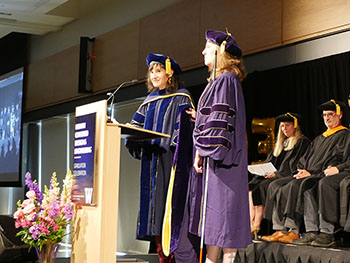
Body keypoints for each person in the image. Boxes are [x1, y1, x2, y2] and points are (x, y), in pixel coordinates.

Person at [126, 52, 195, 263]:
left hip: (170, 161)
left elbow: (184, 128)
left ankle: (174, 254)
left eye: (159, 71)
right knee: (155, 211)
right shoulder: (149, 101)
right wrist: (131, 134)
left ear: (169, 73)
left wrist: (173, 143)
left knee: (169, 208)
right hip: (151, 161)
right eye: (152, 72)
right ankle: (162, 256)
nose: (154, 75)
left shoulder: (182, 97)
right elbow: (135, 125)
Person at [190, 29, 251, 263]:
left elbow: (220, 127)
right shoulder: (219, 82)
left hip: (224, 164)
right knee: (216, 226)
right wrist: (200, 151)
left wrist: (203, 150)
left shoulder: (226, 81)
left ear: (220, 52)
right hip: (217, 163)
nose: (203, 51)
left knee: (226, 225)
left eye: (208, 47)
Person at [262, 99, 349, 244]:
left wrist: (312, 173)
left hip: (323, 174)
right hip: (311, 173)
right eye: (324, 115)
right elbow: (304, 160)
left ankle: (308, 231)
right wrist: (303, 170)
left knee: (304, 185)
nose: (327, 118)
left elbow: (336, 160)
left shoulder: (344, 135)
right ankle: (307, 231)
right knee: (285, 185)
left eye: (331, 114)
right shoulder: (319, 139)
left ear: (339, 116)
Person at [249, 113, 310, 239]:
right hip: (276, 176)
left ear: (295, 127)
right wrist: (262, 171)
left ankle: (263, 226)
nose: (284, 129)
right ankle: (253, 226)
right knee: (252, 186)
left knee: (271, 186)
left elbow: (295, 166)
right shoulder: (281, 144)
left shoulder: (302, 142)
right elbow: (270, 162)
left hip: (288, 177)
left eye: (287, 125)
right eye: (282, 126)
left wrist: (276, 174)